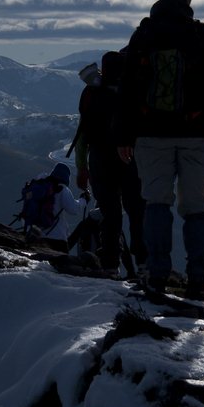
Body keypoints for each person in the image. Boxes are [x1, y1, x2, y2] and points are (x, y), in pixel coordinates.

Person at [115, 0, 204, 299]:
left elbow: (127, 90)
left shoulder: (143, 35)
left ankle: (157, 275)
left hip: (150, 134)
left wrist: (123, 136)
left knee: (156, 203)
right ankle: (197, 279)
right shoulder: (203, 35)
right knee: (196, 205)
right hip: (196, 133)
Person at [72, 53, 147, 279]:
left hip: (99, 159)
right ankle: (144, 263)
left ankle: (110, 263)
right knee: (137, 211)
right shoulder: (131, 91)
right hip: (131, 159)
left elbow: (82, 135)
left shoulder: (92, 92)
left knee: (110, 214)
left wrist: (81, 168)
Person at [32, 162, 87, 251]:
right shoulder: (62, 189)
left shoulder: (40, 186)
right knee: (59, 263)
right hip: (56, 238)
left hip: (37, 235)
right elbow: (74, 209)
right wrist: (83, 200)